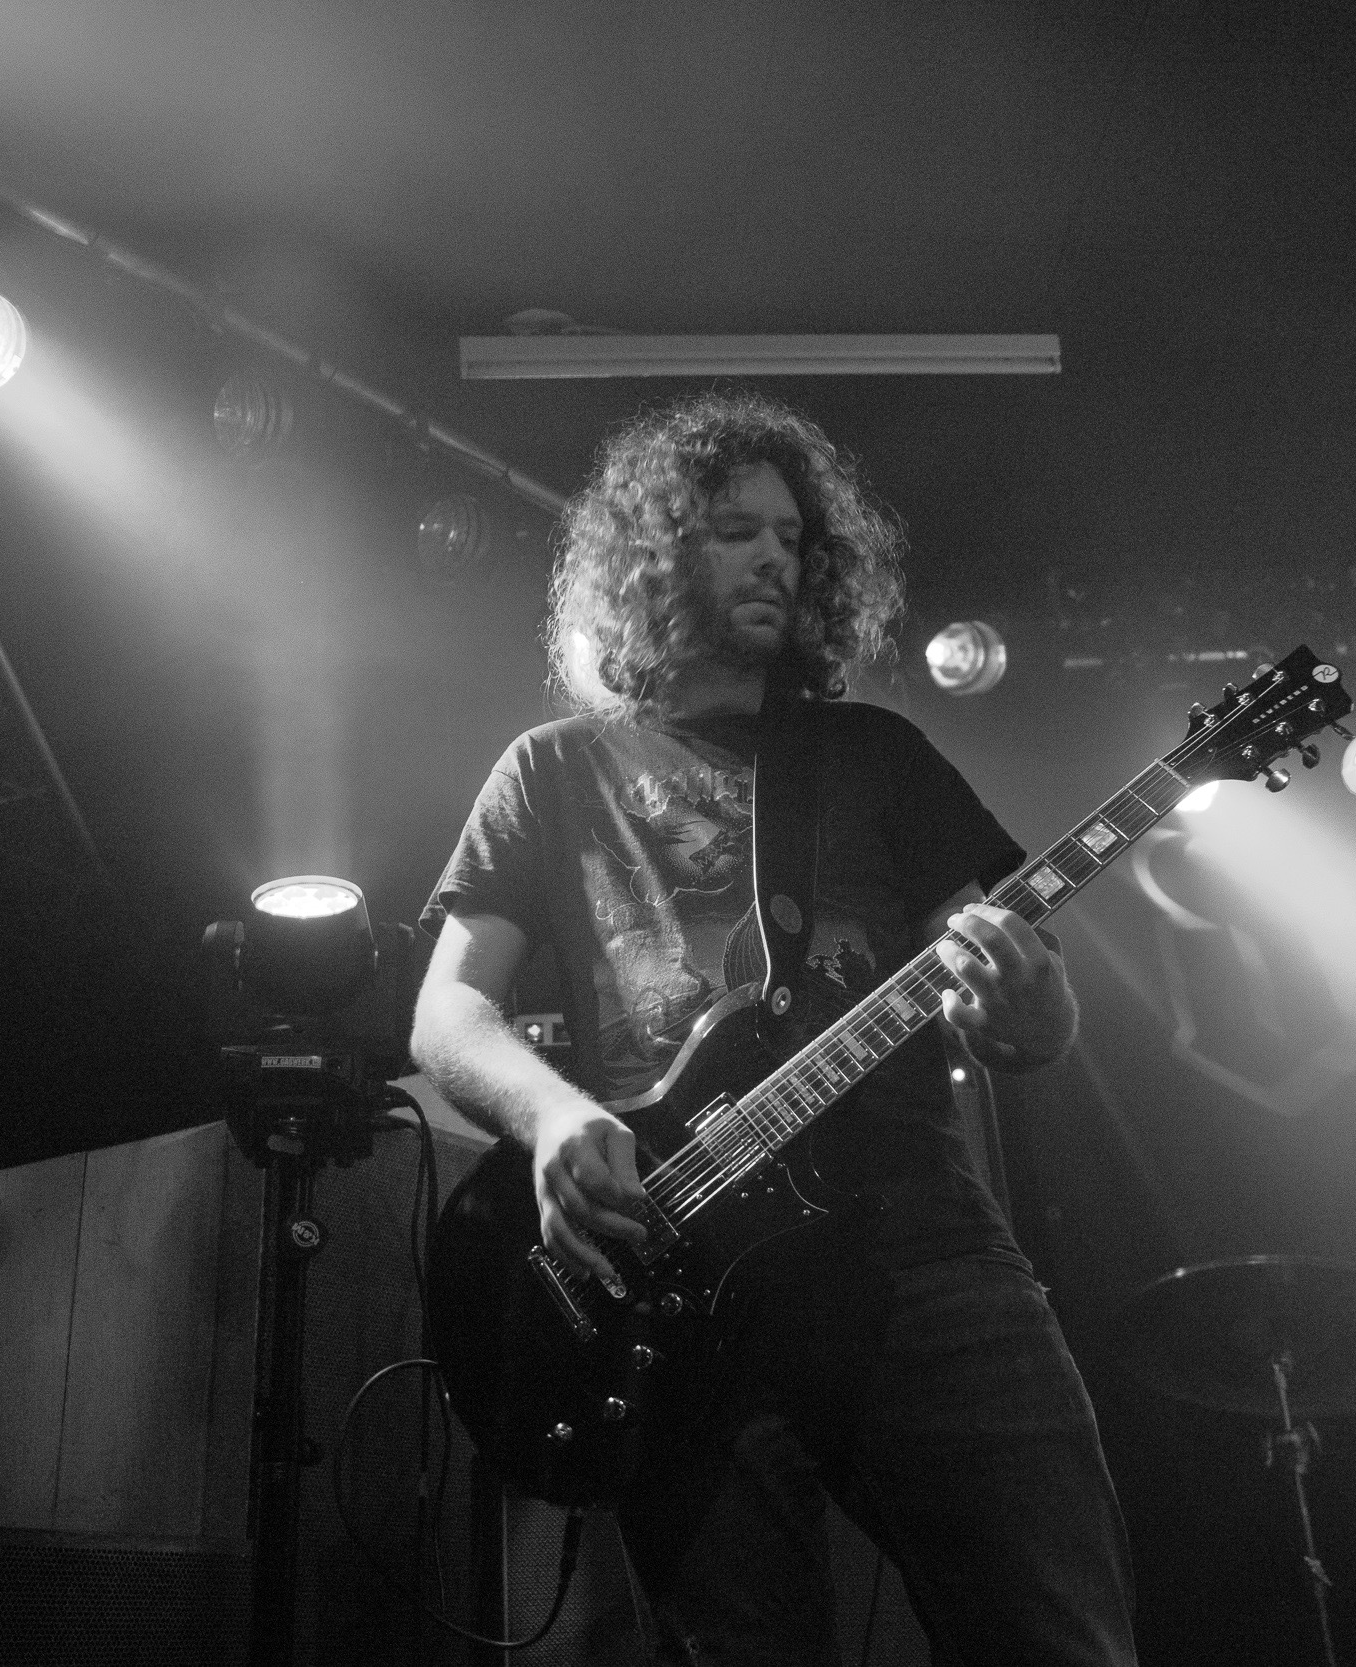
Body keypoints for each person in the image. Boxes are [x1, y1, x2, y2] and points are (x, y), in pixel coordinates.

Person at [410, 392, 1138, 1666]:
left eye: (793, 539)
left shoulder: (877, 757)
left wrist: (1030, 1003)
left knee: (1057, 1637)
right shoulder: (551, 770)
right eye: (736, 530)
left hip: (917, 1248)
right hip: (673, 1283)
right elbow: (446, 1012)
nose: (774, 560)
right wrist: (557, 1115)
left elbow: (1020, 1015)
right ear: (653, 555)